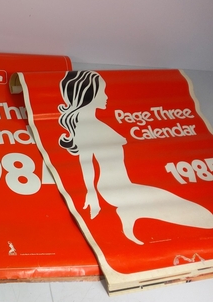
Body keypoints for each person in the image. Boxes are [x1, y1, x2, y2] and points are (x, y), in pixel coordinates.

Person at [58, 70, 213, 245]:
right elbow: (86, 162)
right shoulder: (86, 127)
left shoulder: (92, 124)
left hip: (126, 187)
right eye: (102, 91)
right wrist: (92, 196)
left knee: (202, 216)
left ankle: (129, 213)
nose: (106, 96)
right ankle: (129, 212)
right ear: (89, 95)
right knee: (203, 218)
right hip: (115, 190)